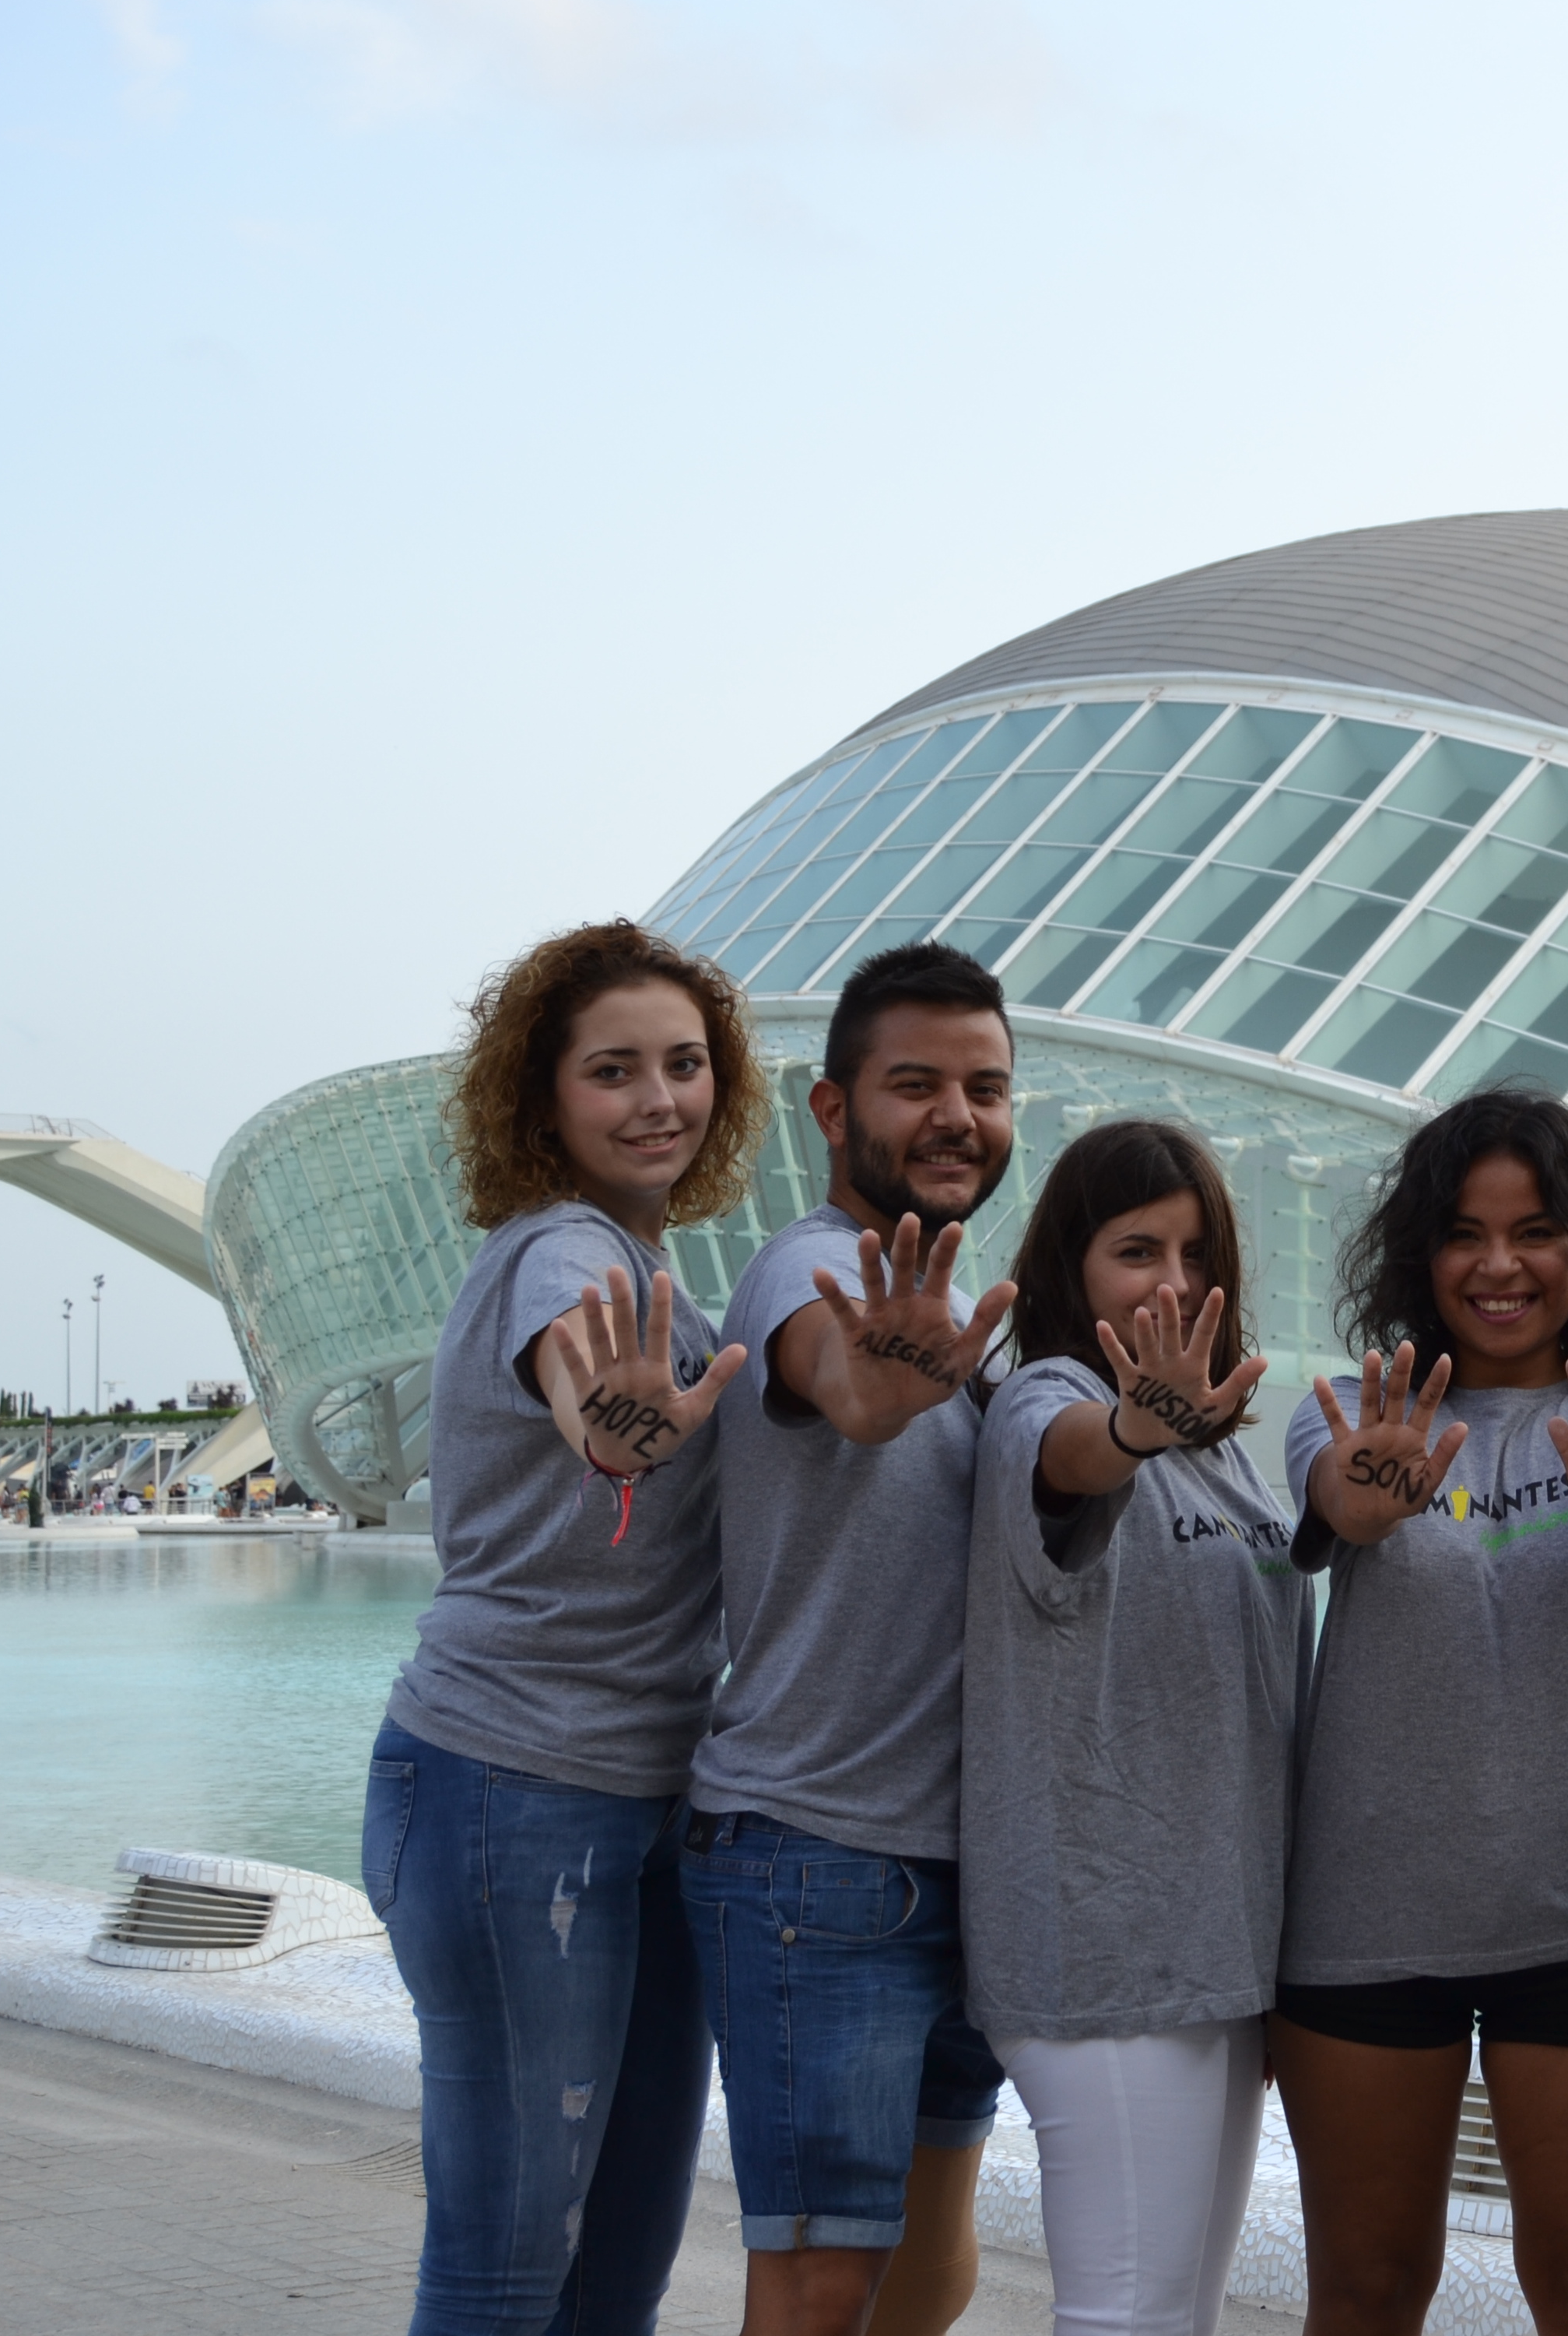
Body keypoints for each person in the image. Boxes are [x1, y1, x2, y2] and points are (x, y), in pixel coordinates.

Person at [361, 920, 762, 2335]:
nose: (660, 1099)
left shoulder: (648, 1262)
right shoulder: (567, 1257)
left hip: (640, 1798)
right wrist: (613, 1428)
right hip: (509, 1794)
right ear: (542, 1102)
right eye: (614, 1071)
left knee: (616, 2276)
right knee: (505, 2271)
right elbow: (582, 1377)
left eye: (685, 1065)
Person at [1272, 1087, 1568, 2336]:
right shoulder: (1354, 1411)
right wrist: (1360, 1496)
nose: (1500, 1264)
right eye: (1465, 1232)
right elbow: (1334, 1505)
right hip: (1362, 1930)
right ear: (1423, 1252)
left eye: (1538, 1230)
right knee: (1364, 2293)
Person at [679, 941, 1023, 2336]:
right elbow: (846, 1388)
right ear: (834, 1114)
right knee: (822, 2283)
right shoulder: (807, 1274)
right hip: (818, 1861)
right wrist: (879, 1379)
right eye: (917, 1085)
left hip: (962, 1866)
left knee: (931, 2267)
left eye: (988, 1088)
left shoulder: (968, 1320)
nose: (958, 1116)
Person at [963, 1119, 1311, 2336]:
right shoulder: (1055, 1399)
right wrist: (1128, 1432)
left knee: (1179, 2312)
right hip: (1102, 1947)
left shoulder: (1227, 1459)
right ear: (1072, 1269)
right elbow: (1065, 1463)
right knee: (1124, 2314)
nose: (1173, 1283)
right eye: (1134, 1251)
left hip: (1211, 1950)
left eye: (1195, 1252)